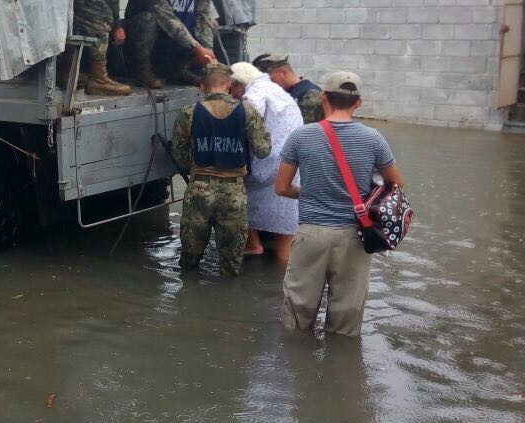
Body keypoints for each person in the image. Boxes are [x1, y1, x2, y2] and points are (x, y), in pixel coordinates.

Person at [274, 71, 405, 337]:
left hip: (310, 234)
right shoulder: (373, 138)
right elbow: (396, 184)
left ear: (324, 97)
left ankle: (299, 368)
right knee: (346, 319)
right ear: (358, 103)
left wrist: (312, 193)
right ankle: (341, 372)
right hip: (355, 237)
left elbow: (282, 188)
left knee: (297, 318)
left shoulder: (301, 136)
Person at [171, 63, 271, 276]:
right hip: (233, 192)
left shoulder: (188, 113)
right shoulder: (247, 111)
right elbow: (263, 150)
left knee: (189, 258)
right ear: (229, 85)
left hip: (198, 188)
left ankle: (187, 303)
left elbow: (179, 155)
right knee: (231, 262)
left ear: (202, 86)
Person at [229, 61, 302, 263]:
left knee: (237, 193)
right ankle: (287, 279)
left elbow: (249, 112)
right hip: (290, 162)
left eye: (232, 90)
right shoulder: (274, 89)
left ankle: (252, 245)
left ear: (238, 84)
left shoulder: (255, 92)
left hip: (268, 162)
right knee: (285, 226)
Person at [126, 0, 219, 89]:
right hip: (148, 38)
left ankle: (181, 70)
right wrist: (196, 48)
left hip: (176, 40)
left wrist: (207, 52)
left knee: (213, 24)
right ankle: (143, 71)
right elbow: (167, 19)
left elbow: (203, 19)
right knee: (148, 19)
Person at [252, 53, 324, 124]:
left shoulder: (311, 94)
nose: (268, 83)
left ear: (283, 73)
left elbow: (307, 131)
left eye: (271, 79)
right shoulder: (282, 93)